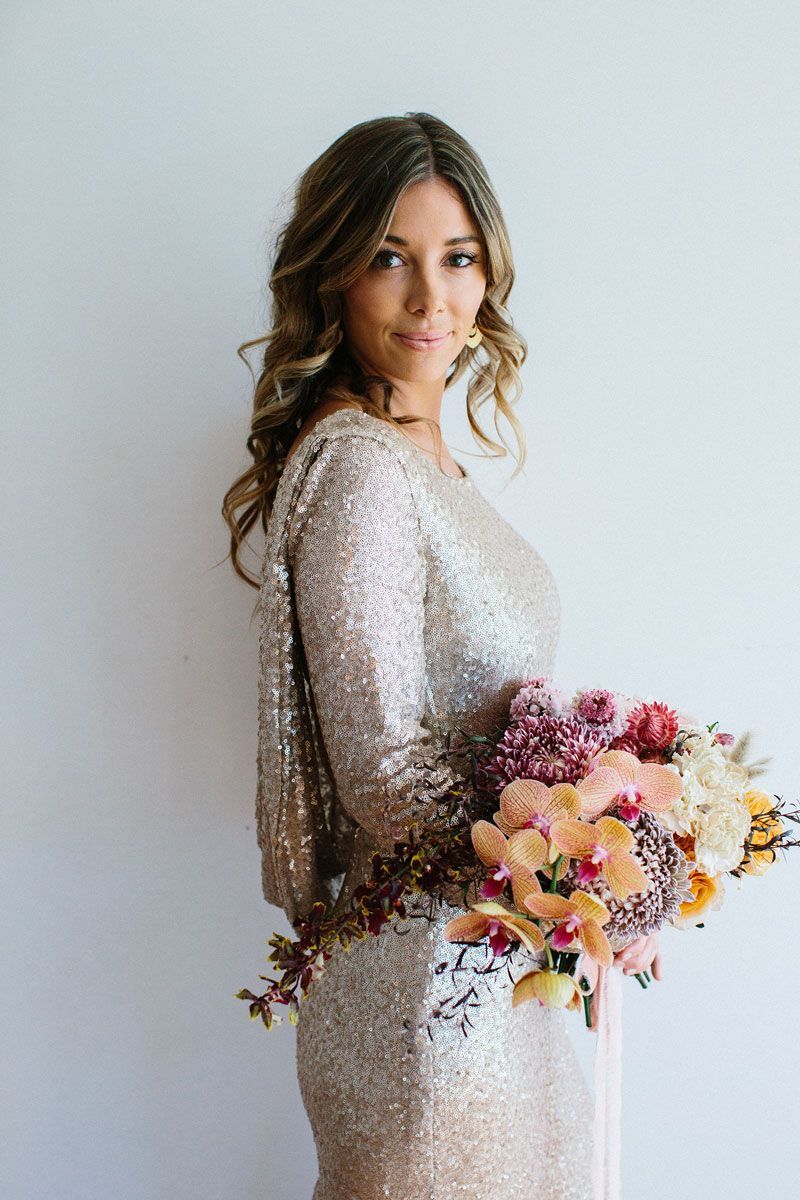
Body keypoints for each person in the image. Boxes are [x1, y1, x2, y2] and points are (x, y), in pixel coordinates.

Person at [222, 112, 661, 1200]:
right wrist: (581, 861)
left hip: (476, 972)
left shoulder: (418, 461)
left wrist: (610, 847)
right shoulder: (364, 470)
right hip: (424, 995)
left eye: (455, 258)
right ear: (331, 275)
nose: (430, 298)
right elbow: (382, 774)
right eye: (388, 258)